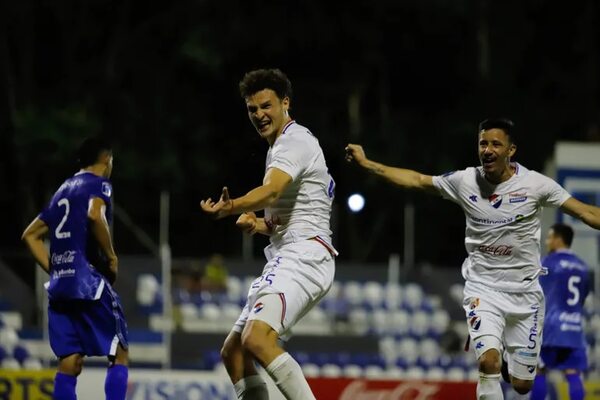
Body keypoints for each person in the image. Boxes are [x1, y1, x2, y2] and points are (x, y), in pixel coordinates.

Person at [345, 118, 600, 400]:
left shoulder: (536, 185)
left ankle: (508, 363)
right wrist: (369, 164)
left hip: (525, 296)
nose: (487, 150)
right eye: (483, 143)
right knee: (487, 362)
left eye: (495, 144)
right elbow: (417, 180)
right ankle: (494, 357)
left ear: (511, 150)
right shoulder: (464, 180)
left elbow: (586, 212)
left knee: (522, 384)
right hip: (483, 289)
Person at [200, 68, 337, 400]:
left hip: (305, 254)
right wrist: (258, 224)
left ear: (285, 103)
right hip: (292, 251)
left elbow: (272, 192)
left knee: (257, 339)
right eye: (252, 109)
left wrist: (231, 206)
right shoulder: (279, 148)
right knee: (233, 353)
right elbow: (285, 216)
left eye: (266, 106)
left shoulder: (294, 140)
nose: (259, 115)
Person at [21, 138, 129, 400]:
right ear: (107, 160)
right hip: (88, 282)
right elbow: (95, 214)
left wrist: (56, 269)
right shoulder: (99, 183)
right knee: (119, 353)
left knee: (69, 362)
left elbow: (30, 235)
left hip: (60, 287)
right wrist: (111, 256)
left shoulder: (63, 190)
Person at [530, 223, 590, 400]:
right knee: (573, 373)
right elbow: (583, 297)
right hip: (574, 329)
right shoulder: (583, 267)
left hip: (550, 328)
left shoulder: (547, 263)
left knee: (539, 370)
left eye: (549, 237)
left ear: (557, 239)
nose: (547, 242)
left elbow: (535, 293)